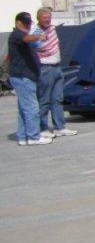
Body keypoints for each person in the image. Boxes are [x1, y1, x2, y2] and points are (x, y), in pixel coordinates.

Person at [6, 12, 51, 145]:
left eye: (29, 23)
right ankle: (33, 136)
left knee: (24, 109)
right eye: (26, 23)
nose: (28, 25)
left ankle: (22, 136)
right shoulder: (17, 34)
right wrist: (39, 36)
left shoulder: (21, 36)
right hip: (23, 77)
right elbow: (26, 39)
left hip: (24, 76)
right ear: (18, 22)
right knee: (32, 108)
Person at [32, 7, 77, 137]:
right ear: (39, 18)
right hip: (45, 67)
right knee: (44, 100)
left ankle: (60, 127)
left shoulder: (52, 28)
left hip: (57, 66)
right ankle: (43, 128)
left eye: (49, 17)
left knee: (57, 99)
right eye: (44, 18)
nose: (47, 20)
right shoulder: (36, 31)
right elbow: (38, 49)